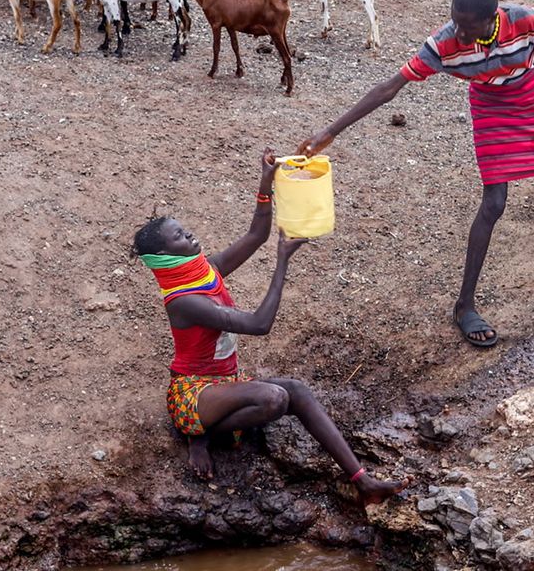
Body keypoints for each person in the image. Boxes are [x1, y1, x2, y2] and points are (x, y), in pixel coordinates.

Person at [296, 0, 534, 349]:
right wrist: (329, 131)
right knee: (494, 203)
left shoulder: (526, 20)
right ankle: (464, 306)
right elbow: (389, 88)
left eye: (468, 27)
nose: (460, 33)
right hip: (492, 109)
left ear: (492, 17)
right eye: (455, 23)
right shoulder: (444, 43)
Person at [136, 150, 403, 503]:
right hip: (191, 394)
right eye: (180, 237)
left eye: (185, 230)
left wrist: (266, 182)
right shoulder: (183, 301)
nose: (191, 236)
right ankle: (198, 433)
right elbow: (259, 324)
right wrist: (282, 263)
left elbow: (257, 235)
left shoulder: (207, 271)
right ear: (166, 256)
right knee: (274, 399)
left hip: (224, 384)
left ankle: (362, 480)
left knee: (297, 390)